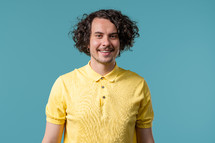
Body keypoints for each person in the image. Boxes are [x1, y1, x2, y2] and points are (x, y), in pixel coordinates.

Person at [42, 9, 154, 143]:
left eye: (113, 36)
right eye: (99, 36)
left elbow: (146, 140)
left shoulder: (138, 84)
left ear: (121, 41)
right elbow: (50, 140)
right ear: (87, 42)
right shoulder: (64, 84)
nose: (106, 42)